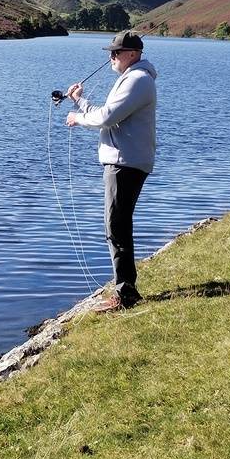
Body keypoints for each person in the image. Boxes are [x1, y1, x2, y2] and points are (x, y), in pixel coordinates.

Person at [65, 30, 158, 311]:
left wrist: (77, 118)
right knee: (117, 224)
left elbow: (107, 117)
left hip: (125, 163)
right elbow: (109, 113)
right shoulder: (131, 79)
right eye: (111, 53)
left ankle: (125, 294)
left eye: (115, 53)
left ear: (131, 54)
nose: (111, 57)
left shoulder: (138, 80)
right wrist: (79, 101)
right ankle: (125, 289)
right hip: (123, 161)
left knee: (116, 225)